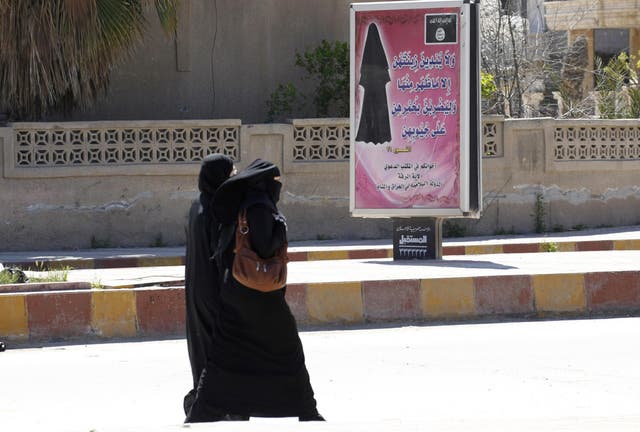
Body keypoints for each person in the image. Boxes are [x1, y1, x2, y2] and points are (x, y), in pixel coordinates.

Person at [185, 159, 324, 423]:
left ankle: (203, 411)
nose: (278, 186)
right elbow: (263, 245)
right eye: (275, 182)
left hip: (230, 294)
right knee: (288, 353)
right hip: (254, 297)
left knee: (223, 356)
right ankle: (307, 410)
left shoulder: (227, 206)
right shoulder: (259, 207)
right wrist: (280, 230)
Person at [183, 153, 235, 415]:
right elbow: (220, 253)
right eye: (230, 174)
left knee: (202, 344)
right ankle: (211, 404)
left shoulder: (197, 205)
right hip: (213, 288)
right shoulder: (216, 209)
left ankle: (204, 399)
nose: (233, 178)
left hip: (195, 287)